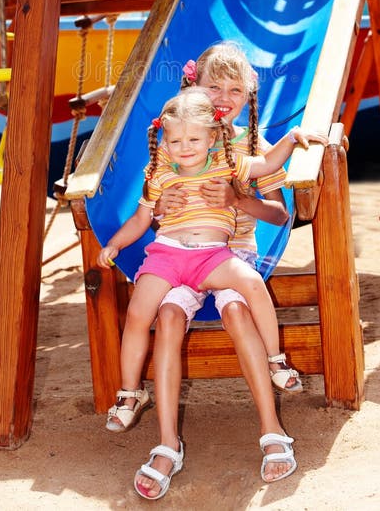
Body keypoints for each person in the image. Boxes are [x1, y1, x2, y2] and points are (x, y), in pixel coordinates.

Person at [99, 43, 328, 498]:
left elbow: (281, 216)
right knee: (164, 319)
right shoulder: (172, 146)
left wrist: (239, 200)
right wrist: (160, 204)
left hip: (232, 253)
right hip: (176, 255)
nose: (225, 96)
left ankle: (272, 430)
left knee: (240, 310)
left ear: (249, 97)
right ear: (192, 87)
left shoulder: (248, 145)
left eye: (236, 90)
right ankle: (167, 444)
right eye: (213, 86)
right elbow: (147, 207)